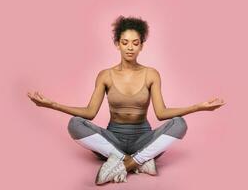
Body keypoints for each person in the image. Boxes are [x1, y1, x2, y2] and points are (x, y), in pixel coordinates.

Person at [27, 15, 226, 185]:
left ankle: (124, 164)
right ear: (117, 44)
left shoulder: (151, 74)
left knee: (180, 123)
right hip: (113, 141)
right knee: (75, 124)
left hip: (144, 140)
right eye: (125, 42)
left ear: (141, 46)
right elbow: (89, 112)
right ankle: (139, 162)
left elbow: (161, 113)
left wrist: (198, 107)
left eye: (135, 43)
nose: (130, 48)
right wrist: (52, 105)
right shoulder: (105, 75)